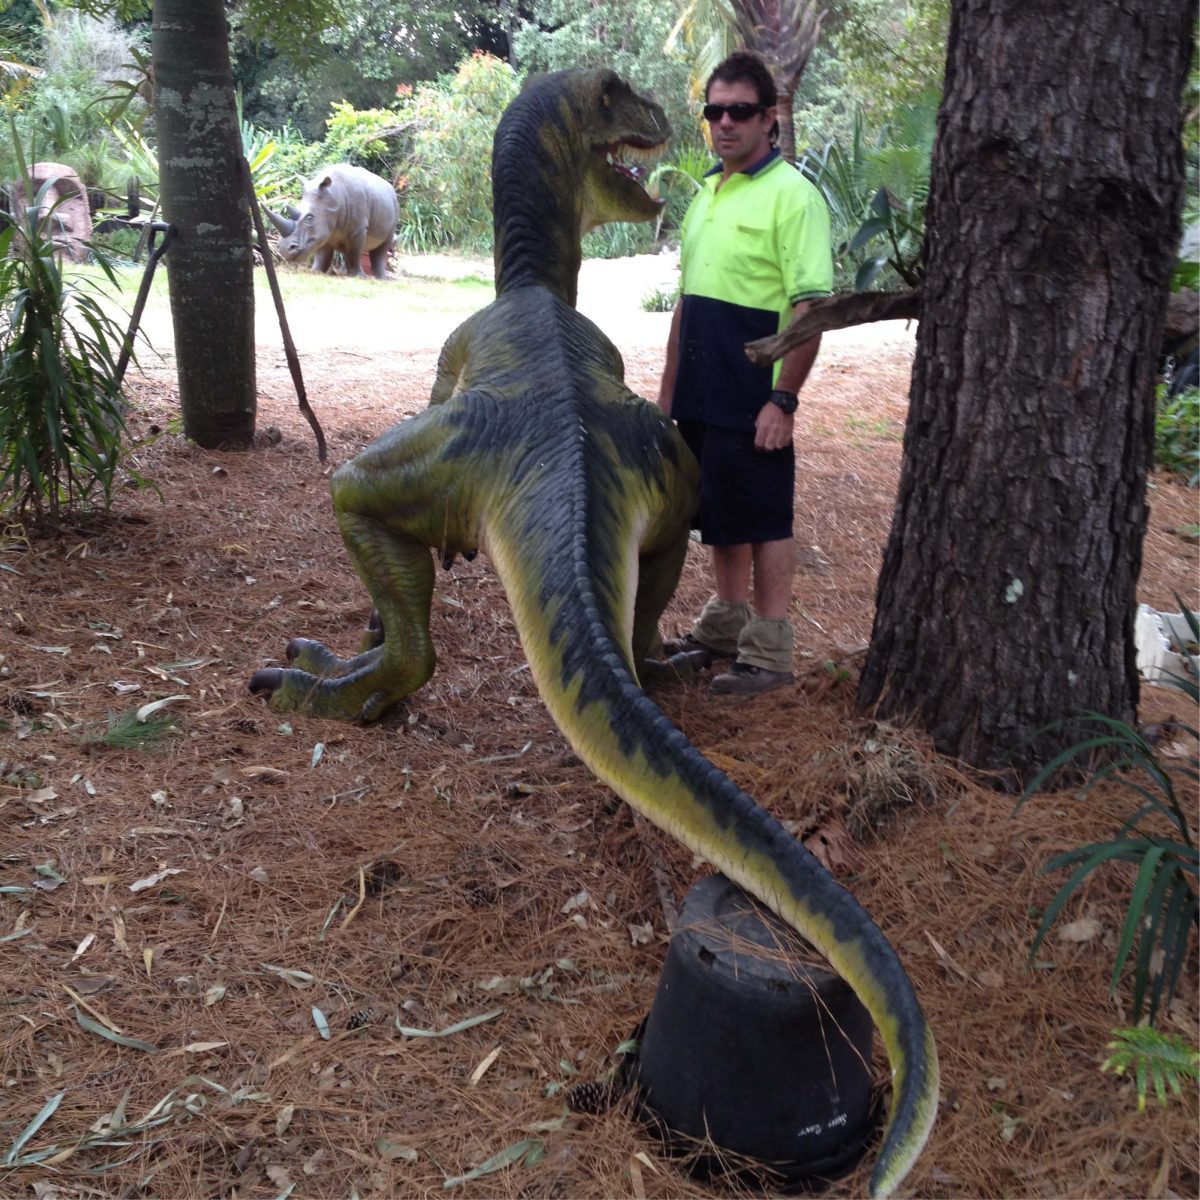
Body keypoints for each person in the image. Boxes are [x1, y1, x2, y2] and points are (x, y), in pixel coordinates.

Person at [657, 50, 832, 697]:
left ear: (769, 121)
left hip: (755, 390)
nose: (724, 123)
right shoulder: (707, 192)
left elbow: (812, 308)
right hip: (703, 393)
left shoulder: (794, 197)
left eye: (739, 111)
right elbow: (687, 304)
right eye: (714, 111)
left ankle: (770, 649)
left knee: (762, 519)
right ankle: (724, 629)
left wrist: (783, 399)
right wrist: (669, 395)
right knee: (718, 516)